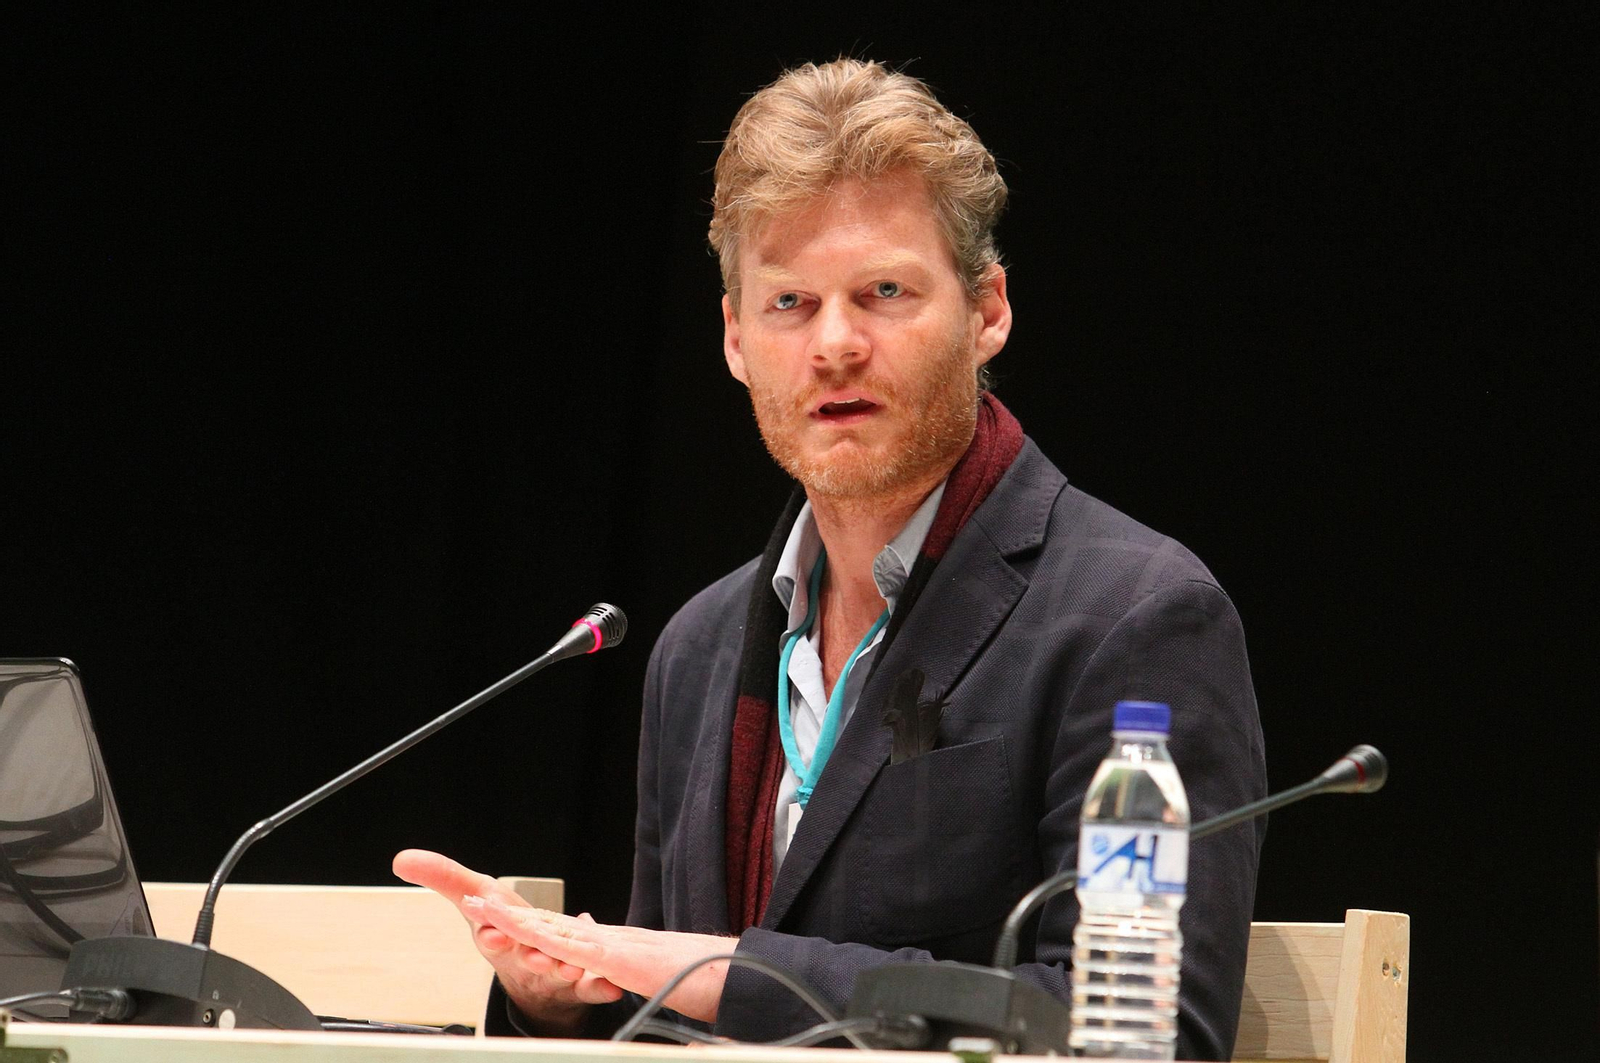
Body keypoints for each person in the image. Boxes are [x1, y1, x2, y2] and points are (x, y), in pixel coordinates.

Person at [396, 58, 1266, 1060]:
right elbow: (658, 1027)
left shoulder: (1136, 617)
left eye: (884, 291)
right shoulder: (699, 647)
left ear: (987, 311)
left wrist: (733, 973)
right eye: (790, 304)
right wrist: (561, 999)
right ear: (733, 338)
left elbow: (1146, 1036)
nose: (835, 344)